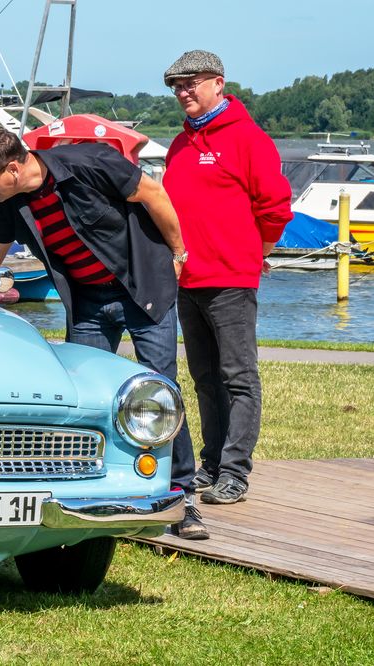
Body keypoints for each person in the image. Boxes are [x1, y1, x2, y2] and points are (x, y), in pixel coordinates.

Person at [0, 125, 208, 540]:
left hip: (143, 287)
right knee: (83, 397)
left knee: (160, 388)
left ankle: (180, 498)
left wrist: (179, 253)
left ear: (16, 167)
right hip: (87, 302)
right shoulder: (9, 201)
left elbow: (154, 195)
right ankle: (92, 492)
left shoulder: (89, 162)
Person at [162, 50, 292, 505]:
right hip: (187, 280)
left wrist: (256, 252)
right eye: (176, 86)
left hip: (231, 280)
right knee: (203, 377)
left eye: (191, 82)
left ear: (218, 82)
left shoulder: (249, 139)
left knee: (238, 377)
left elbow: (275, 207)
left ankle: (235, 471)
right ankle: (212, 462)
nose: (183, 92)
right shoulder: (180, 145)